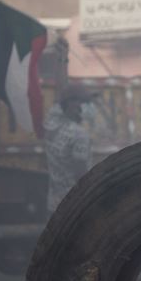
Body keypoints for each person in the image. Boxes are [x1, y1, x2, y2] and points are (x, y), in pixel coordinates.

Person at [44, 37, 93, 213]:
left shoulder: (52, 123)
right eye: (84, 102)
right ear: (74, 105)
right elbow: (82, 177)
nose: (87, 107)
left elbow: (61, 95)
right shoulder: (79, 135)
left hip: (54, 205)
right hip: (73, 210)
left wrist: (62, 60)